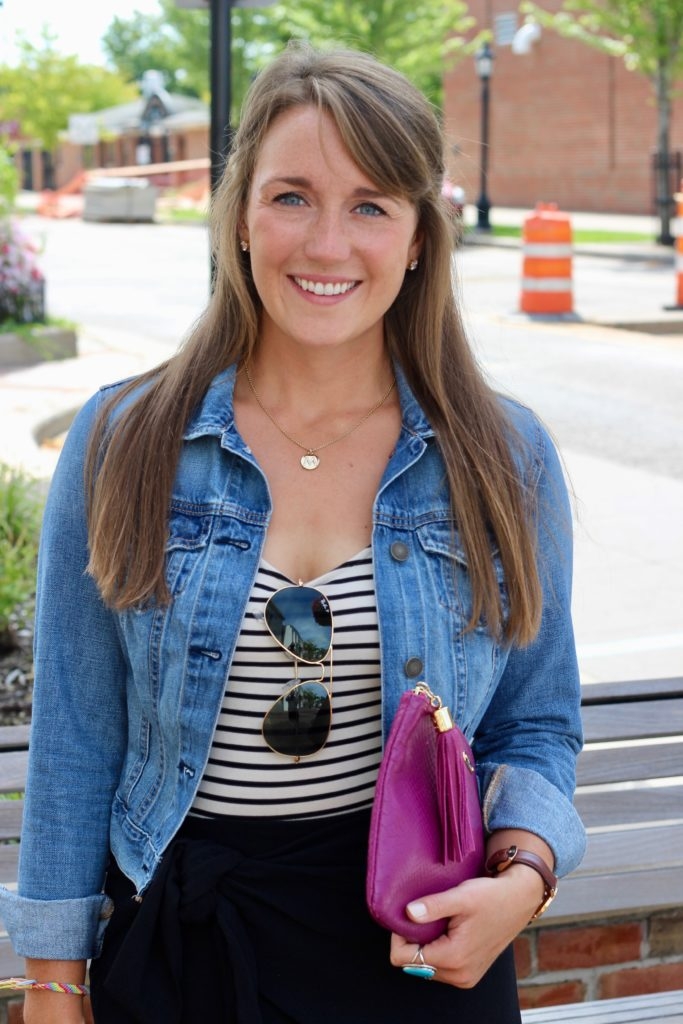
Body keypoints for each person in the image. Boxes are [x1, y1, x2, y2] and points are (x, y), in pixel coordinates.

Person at [0, 41, 585, 1024]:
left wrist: (523, 876)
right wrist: (54, 981)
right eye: (291, 197)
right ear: (236, 218)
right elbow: (75, 734)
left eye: (369, 204)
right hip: (188, 947)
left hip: (422, 946)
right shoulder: (124, 439)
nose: (325, 243)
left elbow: (537, 722)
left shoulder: (503, 453)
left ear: (413, 239)